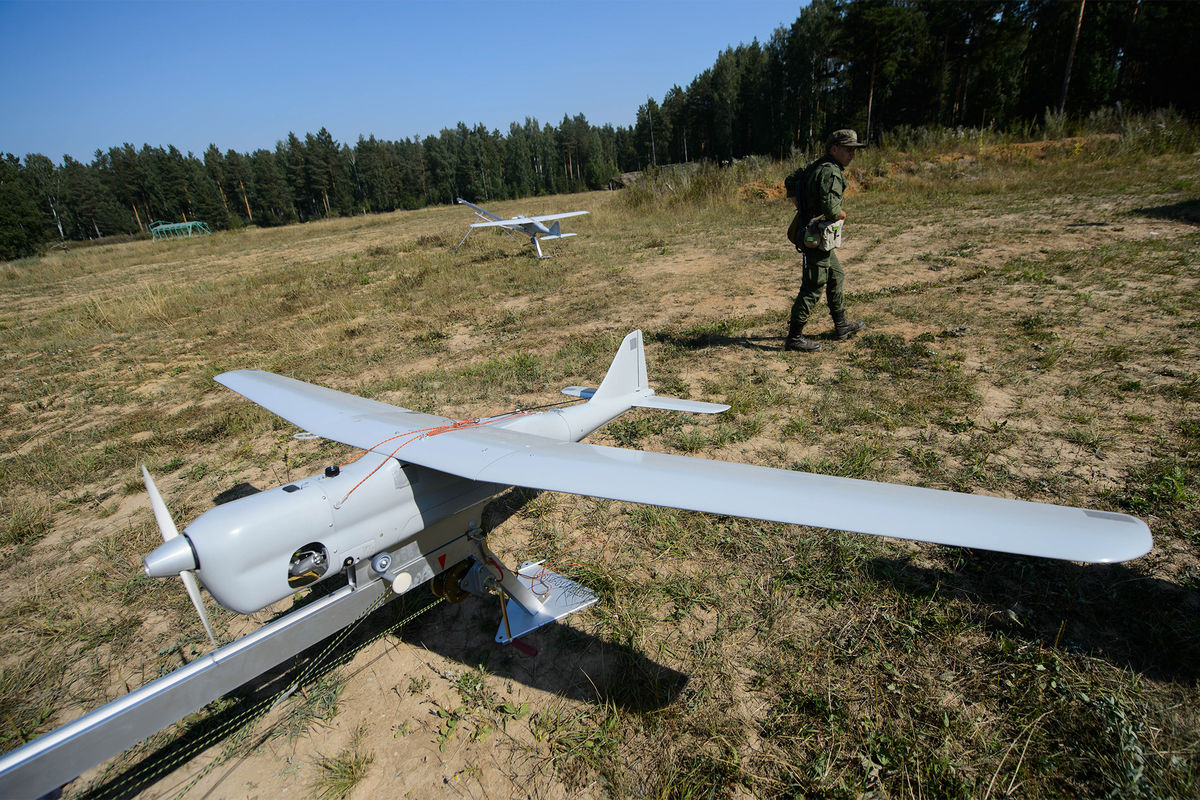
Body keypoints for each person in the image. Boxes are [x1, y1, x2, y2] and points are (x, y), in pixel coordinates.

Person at [783, 129, 868, 352]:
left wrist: (802, 210)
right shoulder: (830, 171)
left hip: (814, 233)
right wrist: (841, 215)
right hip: (815, 236)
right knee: (813, 286)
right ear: (834, 149)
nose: (852, 154)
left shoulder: (818, 164)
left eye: (854, 150)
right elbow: (831, 210)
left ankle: (841, 325)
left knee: (836, 274)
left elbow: (790, 179)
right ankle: (794, 337)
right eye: (848, 149)